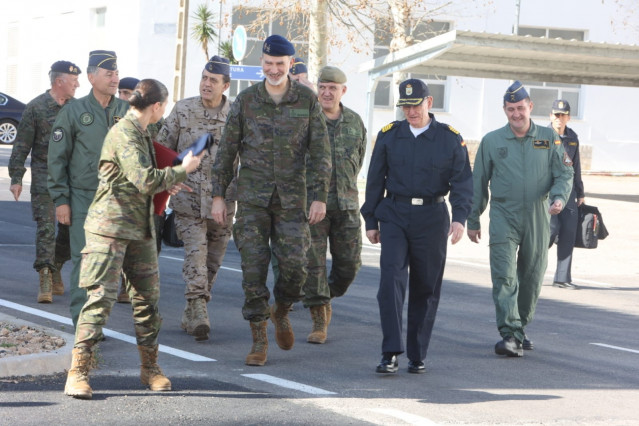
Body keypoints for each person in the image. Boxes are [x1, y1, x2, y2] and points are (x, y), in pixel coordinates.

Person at [63, 78, 203, 400]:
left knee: (147, 303)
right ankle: (78, 373)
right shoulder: (124, 133)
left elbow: (147, 179)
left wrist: (169, 182)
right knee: (99, 301)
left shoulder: (143, 133)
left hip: (139, 230)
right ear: (156, 106)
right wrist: (182, 170)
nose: (162, 112)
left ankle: (150, 368)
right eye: (163, 107)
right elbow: (142, 179)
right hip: (109, 230)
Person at [211, 34, 331, 366]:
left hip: (293, 201)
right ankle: (259, 338)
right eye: (268, 64)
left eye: (280, 64)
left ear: (290, 64)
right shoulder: (246, 100)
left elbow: (321, 153)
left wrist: (320, 197)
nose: (274, 69)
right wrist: (218, 196)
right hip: (252, 200)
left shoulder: (306, 101)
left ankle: (282, 309)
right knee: (252, 271)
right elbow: (226, 153)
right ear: (261, 64)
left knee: (295, 270)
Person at [361, 79, 473, 374]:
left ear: (429, 102)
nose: (411, 111)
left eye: (416, 105)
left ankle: (417, 353)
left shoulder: (449, 138)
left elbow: (462, 183)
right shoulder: (389, 136)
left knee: (426, 286)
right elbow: (375, 181)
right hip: (395, 214)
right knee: (390, 282)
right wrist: (371, 220)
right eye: (406, 106)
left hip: (432, 217)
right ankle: (390, 351)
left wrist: (461, 218)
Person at [466, 81, 574, 357]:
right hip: (504, 213)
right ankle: (510, 334)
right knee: (504, 275)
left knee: (532, 275)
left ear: (530, 107)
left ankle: (520, 327)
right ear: (504, 110)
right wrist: (474, 218)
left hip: (539, 213)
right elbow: (478, 181)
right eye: (511, 109)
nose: (516, 114)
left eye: (521, 108)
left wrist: (560, 197)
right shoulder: (492, 141)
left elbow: (564, 173)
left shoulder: (549, 139)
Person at [156, 55, 236, 341]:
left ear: (225, 85)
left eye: (213, 80)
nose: (206, 84)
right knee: (196, 255)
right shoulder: (183, 109)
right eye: (204, 78)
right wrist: (168, 180)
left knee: (213, 260)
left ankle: (194, 307)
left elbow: (246, 159)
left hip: (223, 205)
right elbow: (163, 148)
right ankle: (199, 309)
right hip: (188, 201)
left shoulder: (236, 115)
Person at [47, 50, 130, 328]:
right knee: (85, 259)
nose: (115, 78)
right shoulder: (73, 111)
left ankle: (97, 319)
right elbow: (57, 158)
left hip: (117, 201)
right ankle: (84, 324)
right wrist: (61, 200)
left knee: (109, 266)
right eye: (109, 74)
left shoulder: (126, 112)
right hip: (83, 197)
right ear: (92, 77)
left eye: (116, 73)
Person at [302, 65, 366, 344]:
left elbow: (359, 159)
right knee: (313, 265)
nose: (327, 93)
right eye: (323, 87)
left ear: (343, 91)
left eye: (333, 88)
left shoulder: (354, 121)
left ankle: (325, 296)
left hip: (347, 205)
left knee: (349, 266)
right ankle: (319, 319)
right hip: (314, 207)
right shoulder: (305, 119)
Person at [8, 60, 80, 303]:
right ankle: (46, 276)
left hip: (73, 179)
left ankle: (57, 264)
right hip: (44, 177)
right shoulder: (36, 108)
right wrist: (16, 177)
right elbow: (21, 145)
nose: (77, 84)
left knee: (71, 230)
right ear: (59, 82)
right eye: (73, 81)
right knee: (46, 227)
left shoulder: (79, 109)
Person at [548, 99, 585, 290]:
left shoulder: (573, 138)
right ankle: (528, 270)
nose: (559, 119)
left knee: (569, 233)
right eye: (556, 115)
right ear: (550, 116)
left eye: (563, 115)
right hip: (548, 192)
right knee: (549, 232)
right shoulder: (541, 137)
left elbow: (576, 167)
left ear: (568, 117)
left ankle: (562, 278)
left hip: (569, 192)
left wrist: (580, 192)